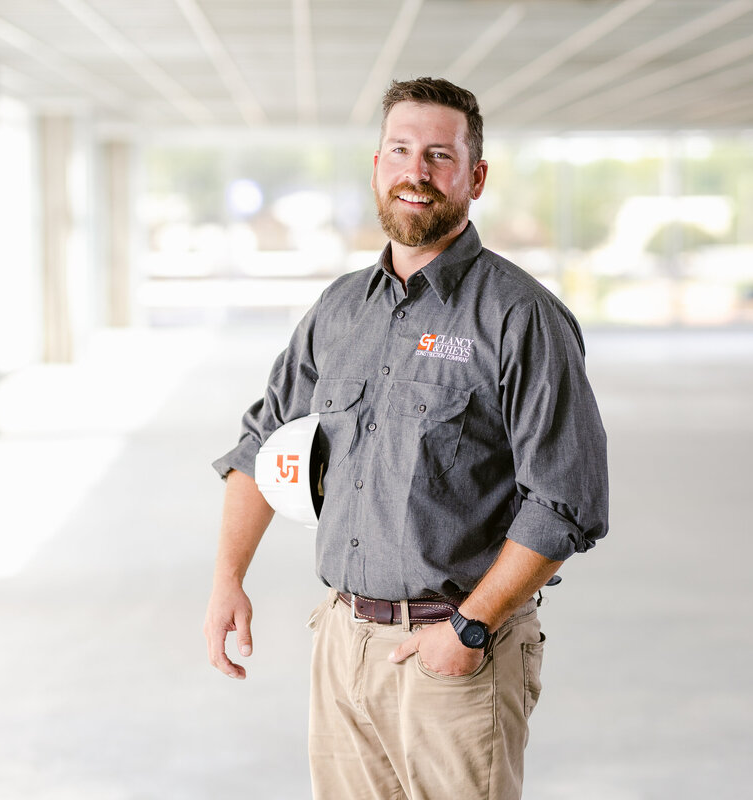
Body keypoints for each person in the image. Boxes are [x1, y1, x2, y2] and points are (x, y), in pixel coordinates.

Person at [204, 76, 609, 800]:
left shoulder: (521, 317)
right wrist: (227, 579)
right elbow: (260, 446)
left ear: (475, 177)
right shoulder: (338, 311)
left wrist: (470, 629)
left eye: (440, 156)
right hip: (342, 644)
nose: (416, 173)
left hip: (455, 655)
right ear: (376, 166)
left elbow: (566, 501)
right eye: (400, 150)